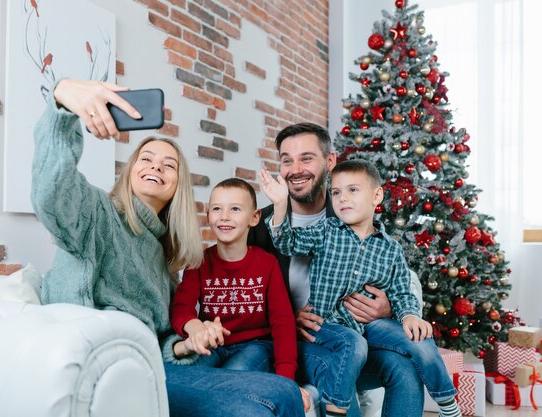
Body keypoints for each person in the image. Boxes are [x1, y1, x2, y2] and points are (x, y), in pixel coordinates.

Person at [31, 78, 304, 417]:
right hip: (101, 370)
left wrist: (186, 343)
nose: (156, 167)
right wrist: (62, 102)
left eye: (169, 165)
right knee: (258, 408)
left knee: (285, 391)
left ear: (177, 187)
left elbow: (159, 336)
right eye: (146, 159)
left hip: (151, 368)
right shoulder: (95, 215)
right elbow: (50, 192)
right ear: (131, 171)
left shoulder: (164, 255)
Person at [247, 122, 426, 417]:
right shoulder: (263, 225)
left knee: (406, 370)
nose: (295, 169)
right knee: (337, 369)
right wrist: (285, 319)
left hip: (351, 341)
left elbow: (401, 281)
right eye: (286, 160)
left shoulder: (352, 213)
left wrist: (387, 308)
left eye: (306, 158)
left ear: (330, 162)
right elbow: (240, 294)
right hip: (293, 347)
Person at [259, 159, 461, 417]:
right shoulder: (325, 231)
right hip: (327, 325)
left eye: (352, 190)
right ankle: (336, 407)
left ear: (377, 195)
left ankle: (447, 404)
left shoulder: (390, 249)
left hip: (370, 326)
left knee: (418, 338)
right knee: (354, 343)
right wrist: (279, 205)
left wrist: (410, 315)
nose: (343, 198)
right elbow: (288, 243)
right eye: (336, 192)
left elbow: (401, 291)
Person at [170, 178, 311, 410]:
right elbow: (181, 308)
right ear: (208, 215)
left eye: (235, 209)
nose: (224, 216)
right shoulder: (199, 262)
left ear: (253, 218)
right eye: (217, 208)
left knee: (234, 375)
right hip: (215, 345)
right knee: (187, 375)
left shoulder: (267, 264)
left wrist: (286, 381)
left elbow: (283, 323)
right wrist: (194, 326)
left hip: (255, 345)